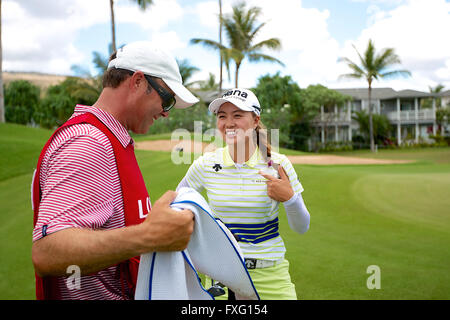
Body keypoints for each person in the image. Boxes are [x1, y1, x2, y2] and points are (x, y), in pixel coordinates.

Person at [31, 41, 199, 300]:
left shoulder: (107, 137)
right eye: (166, 100)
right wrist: (149, 235)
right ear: (138, 82)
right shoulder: (90, 142)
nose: (166, 114)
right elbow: (48, 252)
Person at [176, 88, 310, 300]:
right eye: (222, 116)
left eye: (237, 115)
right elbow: (176, 205)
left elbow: (302, 227)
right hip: (221, 276)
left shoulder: (278, 164)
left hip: (270, 275)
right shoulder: (205, 165)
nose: (229, 123)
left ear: (255, 120)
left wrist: (290, 198)